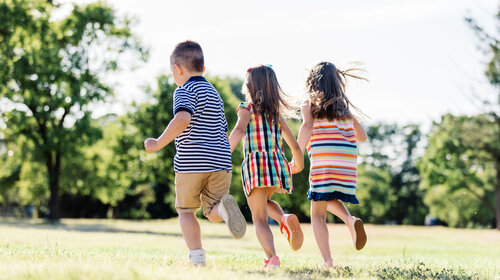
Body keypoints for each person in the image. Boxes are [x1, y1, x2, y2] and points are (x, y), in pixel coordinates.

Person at [144, 40, 246, 266]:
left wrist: (158, 143)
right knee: (212, 211)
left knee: (186, 211)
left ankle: (197, 257)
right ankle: (224, 209)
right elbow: (222, 128)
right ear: (204, 69)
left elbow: (183, 119)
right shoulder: (214, 93)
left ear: (177, 69)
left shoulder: (183, 90)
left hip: (192, 163)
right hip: (221, 162)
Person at [229, 65, 304, 268]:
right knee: (264, 204)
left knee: (259, 218)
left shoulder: (246, 109)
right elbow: (294, 144)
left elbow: (238, 130)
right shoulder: (275, 114)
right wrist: (299, 162)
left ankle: (272, 258)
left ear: (250, 87)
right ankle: (283, 217)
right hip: (276, 164)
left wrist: (224, 152)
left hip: (255, 164)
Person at [296, 61, 368, 267]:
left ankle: (327, 261)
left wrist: (297, 153)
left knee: (317, 213)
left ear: (313, 82)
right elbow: (362, 137)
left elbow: (307, 126)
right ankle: (350, 220)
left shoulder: (310, 105)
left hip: (324, 161)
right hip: (346, 163)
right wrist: (350, 119)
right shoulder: (344, 110)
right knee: (327, 197)